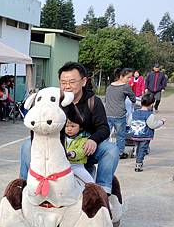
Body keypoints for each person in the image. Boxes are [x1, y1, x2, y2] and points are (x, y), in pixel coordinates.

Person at [20, 62, 119, 195]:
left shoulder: (93, 102)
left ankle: (102, 190)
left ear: (83, 81)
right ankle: (24, 185)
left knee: (111, 149)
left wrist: (93, 140)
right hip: (59, 146)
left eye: (72, 82)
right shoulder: (54, 101)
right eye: (63, 82)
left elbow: (103, 128)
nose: (67, 86)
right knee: (27, 145)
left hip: (84, 149)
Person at [129, 93, 166, 172]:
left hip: (136, 134)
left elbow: (129, 122)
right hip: (145, 136)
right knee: (142, 149)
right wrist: (161, 122)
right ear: (152, 104)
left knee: (139, 147)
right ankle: (138, 163)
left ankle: (137, 154)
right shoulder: (150, 115)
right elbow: (152, 125)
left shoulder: (134, 113)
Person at [105, 68, 136, 159]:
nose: (130, 80)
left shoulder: (109, 86)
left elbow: (106, 100)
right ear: (121, 76)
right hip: (119, 115)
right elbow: (133, 98)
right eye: (128, 77)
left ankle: (104, 151)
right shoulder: (125, 87)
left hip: (108, 114)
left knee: (106, 135)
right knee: (120, 135)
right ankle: (120, 153)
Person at [64, 118, 95, 183]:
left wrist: (74, 153)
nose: (69, 129)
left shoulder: (83, 139)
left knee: (90, 182)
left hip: (77, 166)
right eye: (66, 126)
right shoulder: (62, 138)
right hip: (64, 165)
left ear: (80, 128)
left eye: (73, 126)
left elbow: (82, 151)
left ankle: (95, 191)